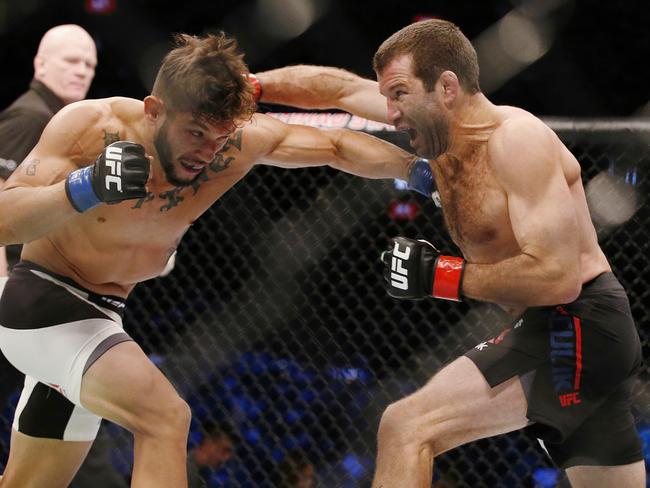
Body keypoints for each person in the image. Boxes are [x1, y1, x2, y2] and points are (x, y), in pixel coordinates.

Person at [0, 31, 425, 488]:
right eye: (195, 132)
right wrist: (85, 187)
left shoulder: (234, 146)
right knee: (165, 418)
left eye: (219, 137)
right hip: (41, 301)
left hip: (103, 315)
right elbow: (6, 219)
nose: (206, 152)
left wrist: (415, 171)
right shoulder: (92, 126)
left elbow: (337, 146)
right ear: (154, 109)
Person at [253, 19, 645, 488]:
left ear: (447, 87)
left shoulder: (515, 140)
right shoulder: (438, 135)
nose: (390, 112)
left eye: (399, 94)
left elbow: (557, 276)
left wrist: (440, 275)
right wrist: (251, 87)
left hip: (577, 323)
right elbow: (336, 89)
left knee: (407, 426)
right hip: (560, 327)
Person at [0, 24, 97, 276]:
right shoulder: (31, 117)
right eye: (71, 61)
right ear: (40, 64)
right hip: (13, 270)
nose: (81, 71)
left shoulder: (56, 119)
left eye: (89, 65)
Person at [187, 421, 237, 488]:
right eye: (224, 451)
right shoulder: (184, 468)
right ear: (209, 443)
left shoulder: (203, 475)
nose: (226, 458)